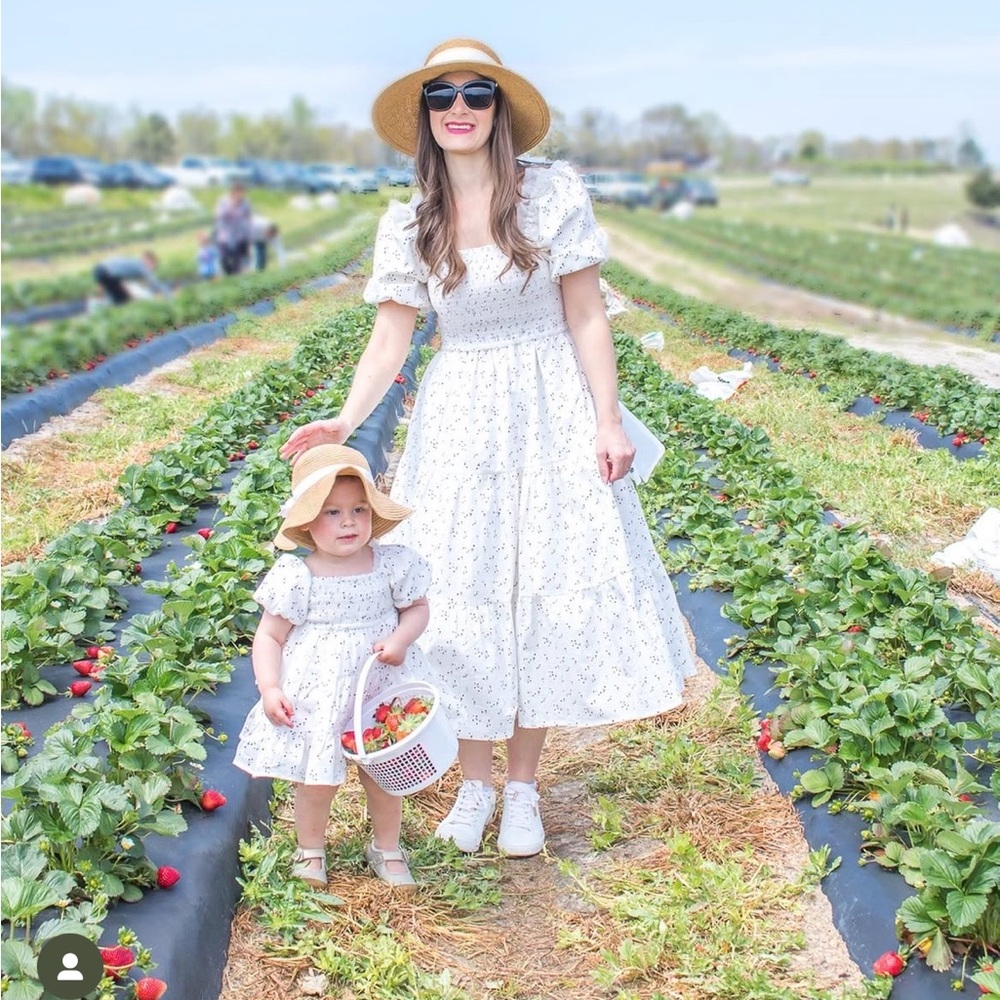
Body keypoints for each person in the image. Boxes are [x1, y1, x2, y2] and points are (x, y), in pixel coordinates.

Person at [280, 38, 697, 859]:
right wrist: (343, 421)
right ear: (425, 116)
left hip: (549, 402)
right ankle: (474, 785)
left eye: (477, 93)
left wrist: (607, 420)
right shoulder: (410, 221)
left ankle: (523, 790)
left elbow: (586, 315)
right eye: (442, 96)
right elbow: (391, 337)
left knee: (537, 584)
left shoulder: (550, 195)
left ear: (500, 110)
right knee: (462, 589)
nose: (460, 108)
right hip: (461, 409)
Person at [232, 444, 433, 889]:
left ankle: (387, 846)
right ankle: (310, 849)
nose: (348, 522)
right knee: (316, 777)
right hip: (319, 691)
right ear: (307, 522)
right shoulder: (297, 576)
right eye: (332, 512)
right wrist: (270, 687)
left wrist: (401, 639)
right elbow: (269, 636)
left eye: (359, 510)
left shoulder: (391, 565)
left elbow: (417, 608)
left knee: (384, 771)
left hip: (379, 685)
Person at [92, 250, 171, 305]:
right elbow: (154, 282)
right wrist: (168, 295)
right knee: (121, 301)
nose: (152, 269)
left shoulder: (133, 263)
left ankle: (100, 306)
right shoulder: (140, 265)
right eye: (153, 266)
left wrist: (133, 296)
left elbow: (123, 283)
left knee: (118, 298)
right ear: (149, 261)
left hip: (100, 270)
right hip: (106, 272)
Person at [214, 180, 253, 275]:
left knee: (237, 261)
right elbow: (219, 216)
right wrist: (231, 206)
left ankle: (234, 278)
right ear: (233, 192)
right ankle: (228, 274)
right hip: (224, 235)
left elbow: (248, 218)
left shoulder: (245, 202)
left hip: (239, 235)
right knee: (224, 258)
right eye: (239, 192)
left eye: (243, 192)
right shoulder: (223, 201)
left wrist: (249, 237)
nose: (241, 194)